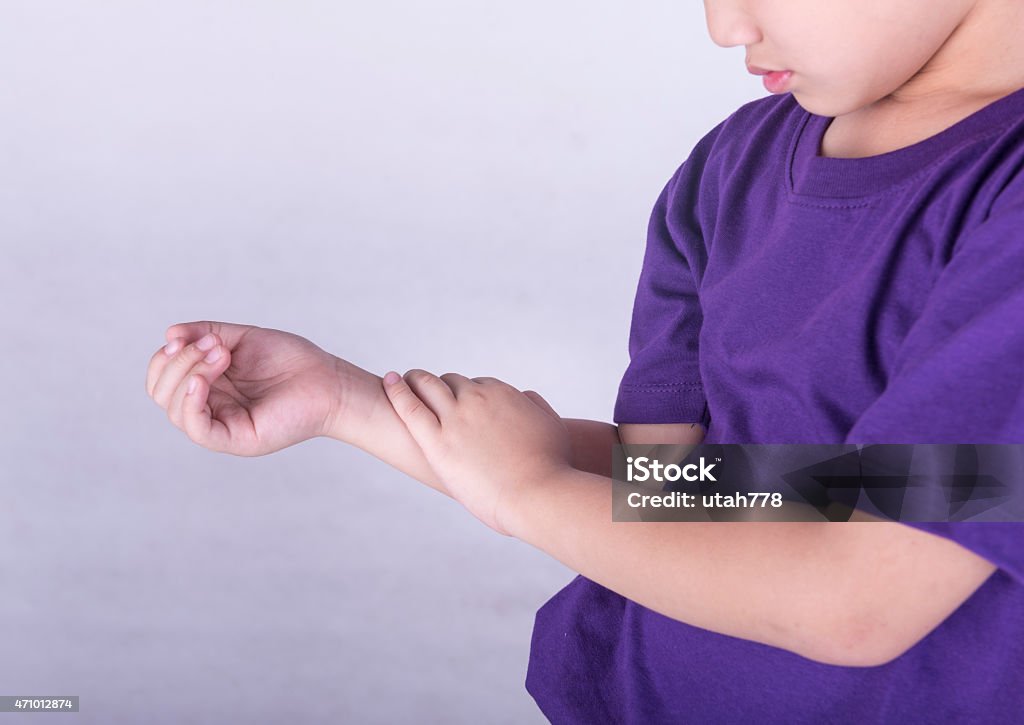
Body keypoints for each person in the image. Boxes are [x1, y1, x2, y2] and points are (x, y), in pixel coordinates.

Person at [146, 0, 1024, 721]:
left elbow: (861, 601)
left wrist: (526, 492)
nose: (724, 26)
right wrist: (345, 402)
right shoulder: (734, 166)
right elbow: (676, 493)